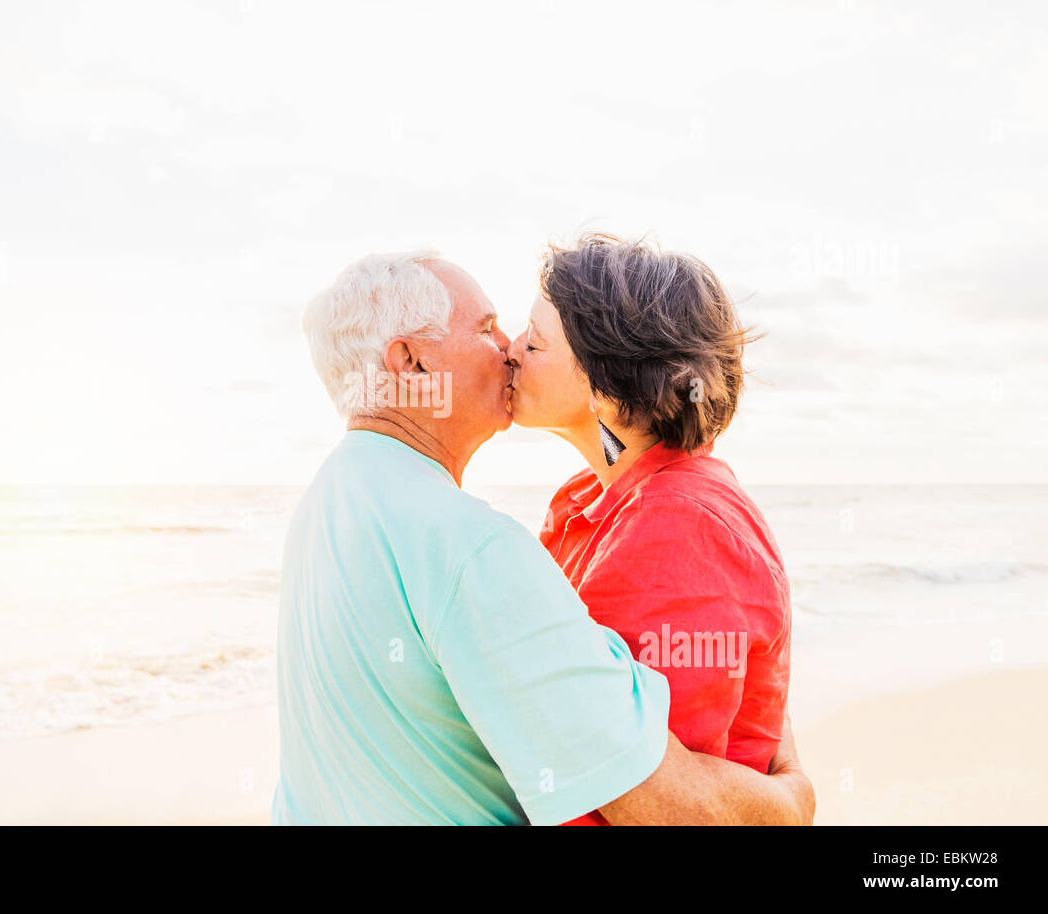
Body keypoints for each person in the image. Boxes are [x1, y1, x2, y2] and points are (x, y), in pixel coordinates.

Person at [272, 248, 812, 825]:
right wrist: (793, 799)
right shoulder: (476, 543)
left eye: (531, 339)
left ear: (603, 377)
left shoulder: (328, 502)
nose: (507, 348)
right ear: (412, 364)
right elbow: (668, 799)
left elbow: (670, 778)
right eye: (490, 329)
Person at [506, 233, 791, 826]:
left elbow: (650, 794)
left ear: (605, 389)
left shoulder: (677, 527)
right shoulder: (595, 495)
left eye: (533, 342)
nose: (509, 352)